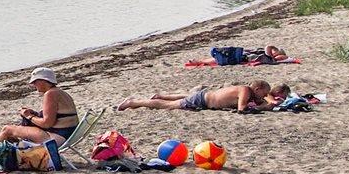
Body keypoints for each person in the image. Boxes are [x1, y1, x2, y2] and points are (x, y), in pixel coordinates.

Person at [0, 67, 79, 146]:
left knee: (7, 129)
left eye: (35, 81)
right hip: (69, 134)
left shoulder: (50, 94)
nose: (33, 84)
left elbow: (47, 123)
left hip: (56, 138)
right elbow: (59, 117)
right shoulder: (62, 93)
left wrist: (29, 116)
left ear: (43, 80)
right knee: (16, 132)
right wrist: (35, 114)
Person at [116, 80, 271, 112]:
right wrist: (264, 107)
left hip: (204, 97)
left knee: (183, 98)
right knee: (168, 106)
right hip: (202, 100)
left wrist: (263, 103)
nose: (263, 96)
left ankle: (160, 96)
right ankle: (132, 102)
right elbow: (242, 109)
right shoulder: (245, 91)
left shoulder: (246, 91)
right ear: (257, 89)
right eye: (263, 94)